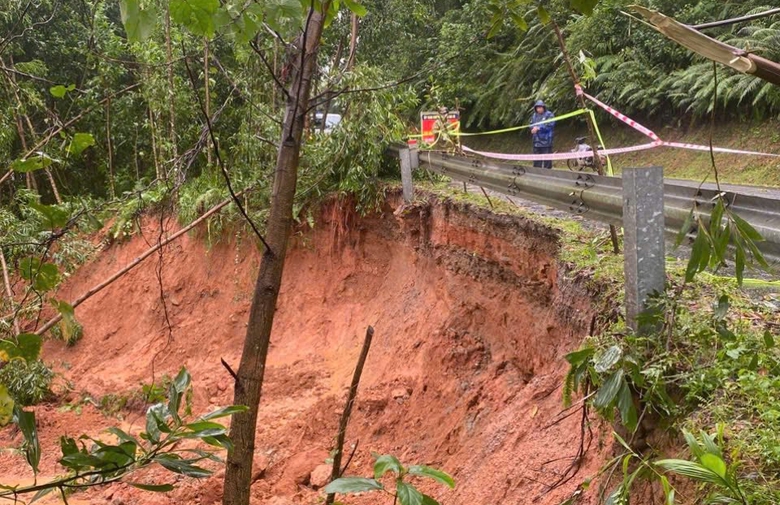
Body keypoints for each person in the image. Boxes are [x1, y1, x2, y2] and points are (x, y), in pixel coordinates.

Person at [530, 100, 555, 169]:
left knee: (547, 160)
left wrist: (539, 128)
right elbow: (531, 124)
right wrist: (532, 129)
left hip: (546, 141)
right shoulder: (534, 116)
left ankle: (548, 174)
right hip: (536, 142)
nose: (539, 109)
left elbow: (550, 125)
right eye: (537, 108)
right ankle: (537, 174)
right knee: (537, 160)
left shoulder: (549, 115)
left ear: (543, 107)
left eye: (540, 107)